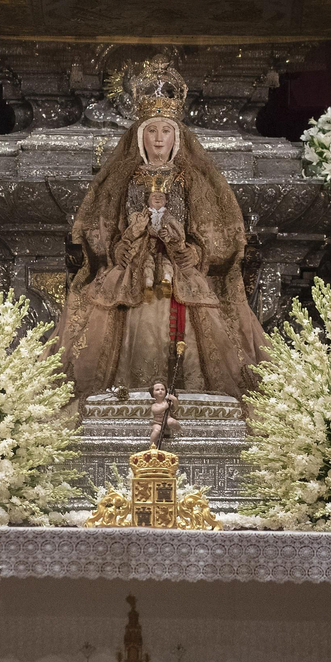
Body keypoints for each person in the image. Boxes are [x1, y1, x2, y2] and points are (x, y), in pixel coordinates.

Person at [55, 55, 266, 402]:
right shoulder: (122, 179)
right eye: (151, 130)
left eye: (165, 131)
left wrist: (188, 250)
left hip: (180, 272)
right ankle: (125, 401)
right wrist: (124, 243)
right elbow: (99, 231)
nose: (158, 139)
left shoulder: (193, 180)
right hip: (130, 274)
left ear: (176, 137)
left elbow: (217, 235)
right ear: (140, 137)